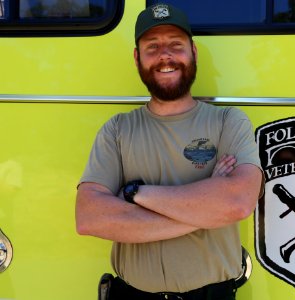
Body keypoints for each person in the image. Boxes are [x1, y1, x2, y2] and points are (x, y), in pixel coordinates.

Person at [75, 3, 263, 300]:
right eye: (153, 46)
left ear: (194, 52)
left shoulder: (228, 120)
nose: (165, 55)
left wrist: (135, 193)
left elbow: (238, 203)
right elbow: (90, 218)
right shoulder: (118, 130)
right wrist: (207, 208)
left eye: (176, 44)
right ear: (137, 58)